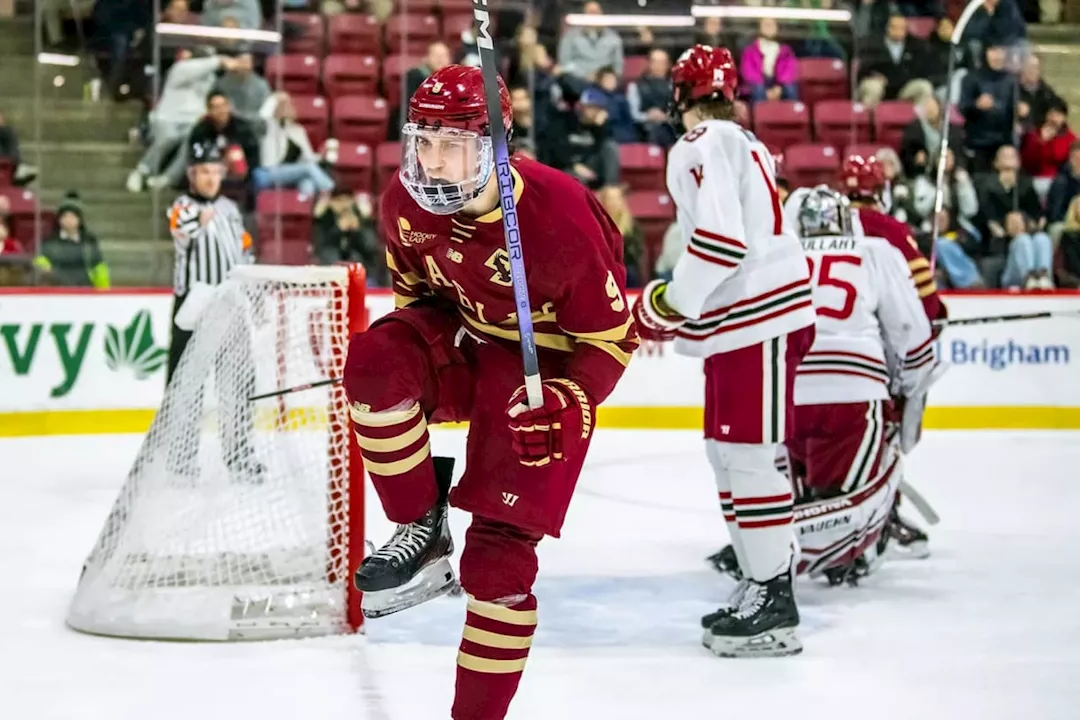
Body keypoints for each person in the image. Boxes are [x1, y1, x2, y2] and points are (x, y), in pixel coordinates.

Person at [348, 64, 638, 720]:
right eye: (423, 141)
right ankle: (420, 527)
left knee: (497, 571)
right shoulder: (404, 204)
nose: (434, 161)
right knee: (374, 361)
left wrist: (576, 400)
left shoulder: (560, 213)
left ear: (497, 147)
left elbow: (614, 336)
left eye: (454, 145)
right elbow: (418, 309)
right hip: (474, 347)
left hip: (547, 379)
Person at [631, 45, 815, 658]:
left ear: (679, 95)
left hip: (755, 316)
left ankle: (772, 597)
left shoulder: (700, 143)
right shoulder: (744, 141)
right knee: (729, 453)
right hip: (747, 319)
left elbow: (719, 240)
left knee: (750, 456)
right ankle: (759, 580)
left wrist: (670, 302)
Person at [785, 186, 939, 586]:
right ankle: (853, 546)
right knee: (862, 478)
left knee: (805, 485)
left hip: (787, 395)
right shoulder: (875, 252)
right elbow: (911, 333)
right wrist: (906, 386)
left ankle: (773, 546)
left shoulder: (776, 257)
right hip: (855, 392)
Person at [164, 140, 262, 478]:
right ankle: (180, 460)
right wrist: (202, 218)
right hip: (193, 307)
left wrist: (250, 294)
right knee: (186, 386)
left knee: (238, 385)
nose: (210, 178)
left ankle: (239, 456)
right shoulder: (181, 206)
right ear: (192, 175)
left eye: (215, 172)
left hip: (230, 304)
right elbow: (182, 227)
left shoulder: (230, 210)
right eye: (203, 172)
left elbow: (244, 252)